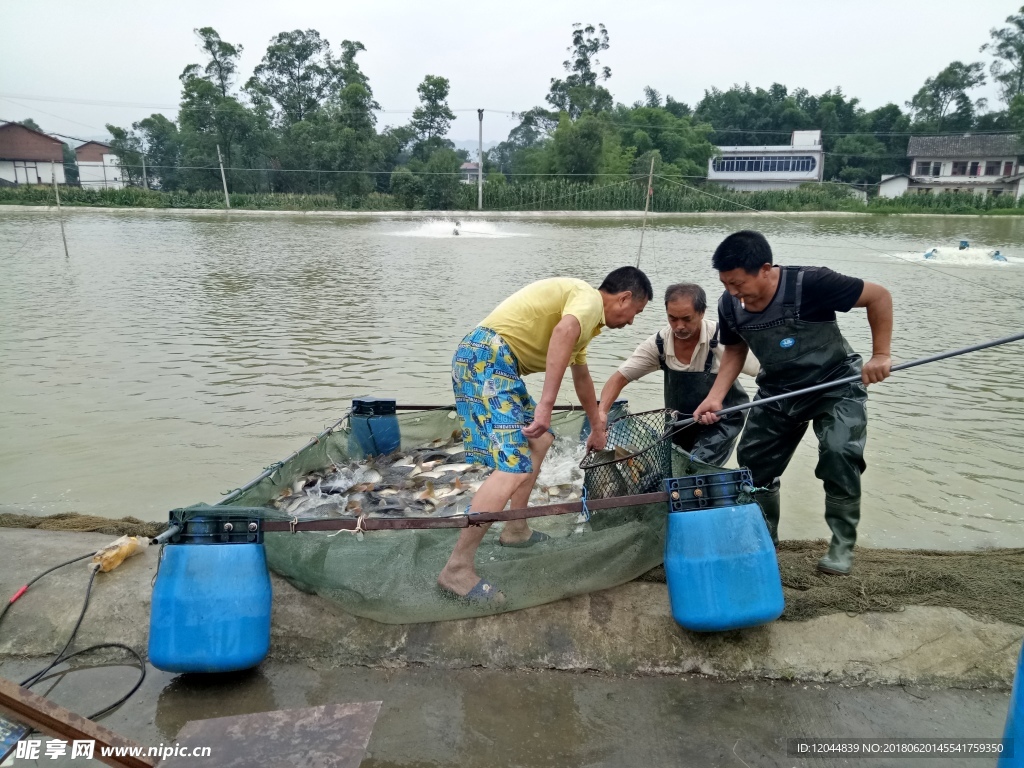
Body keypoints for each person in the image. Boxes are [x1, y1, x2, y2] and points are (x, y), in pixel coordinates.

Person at [440, 267, 653, 601]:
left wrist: (598, 426)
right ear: (624, 297)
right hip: (485, 358)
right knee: (512, 466)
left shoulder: (586, 321)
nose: (631, 322)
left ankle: (515, 528)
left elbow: (581, 375)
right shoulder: (586, 300)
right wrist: (545, 405)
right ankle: (457, 568)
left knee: (540, 440)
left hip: (496, 362)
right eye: (635, 313)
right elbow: (563, 332)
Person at [694, 231, 893, 575]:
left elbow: (879, 296)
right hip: (779, 391)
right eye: (726, 284)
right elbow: (736, 351)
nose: (733, 293)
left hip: (835, 384)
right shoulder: (729, 305)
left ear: (766, 270)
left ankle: (842, 545)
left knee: (839, 451)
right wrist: (715, 397)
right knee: (753, 465)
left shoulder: (812, 283)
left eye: (739, 284)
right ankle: (764, 540)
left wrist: (881, 354)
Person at [597, 283, 759, 467]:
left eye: (687, 319)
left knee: (696, 465)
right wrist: (601, 413)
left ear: (702, 313)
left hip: (722, 421)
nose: (679, 326)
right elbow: (618, 378)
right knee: (670, 469)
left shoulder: (723, 338)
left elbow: (762, 370)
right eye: (672, 319)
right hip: (681, 422)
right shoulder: (659, 344)